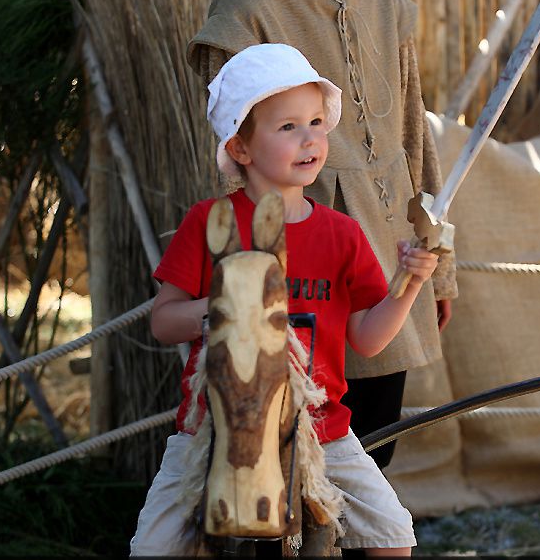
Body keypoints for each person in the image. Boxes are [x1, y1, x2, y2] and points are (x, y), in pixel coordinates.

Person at [130, 43, 439, 556]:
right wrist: (235, 300)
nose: (310, 138)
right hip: (213, 425)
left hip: (323, 431)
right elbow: (164, 323)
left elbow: (366, 338)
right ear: (242, 148)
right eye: (288, 126)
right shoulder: (211, 223)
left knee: (393, 537)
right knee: (153, 550)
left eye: (317, 122)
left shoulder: (342, 234)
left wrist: (408, 285)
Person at [187, 0, 458, 472]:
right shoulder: (248, 7)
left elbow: (412, 133)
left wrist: (439, 262)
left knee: (372, 469)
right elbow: (236, 162)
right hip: (302, 277)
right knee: (291, 474)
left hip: (388, 254)